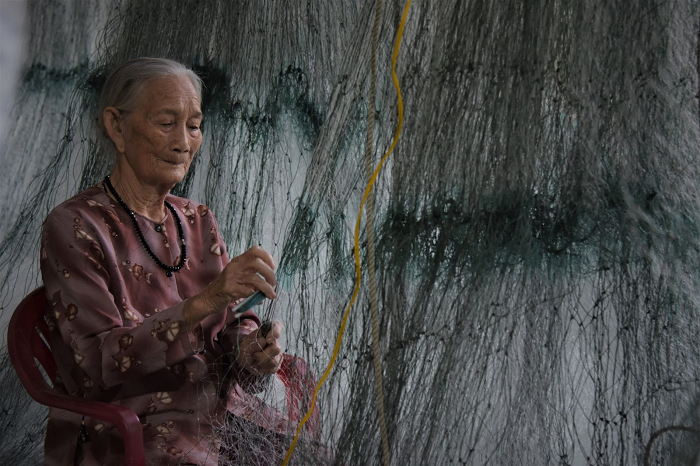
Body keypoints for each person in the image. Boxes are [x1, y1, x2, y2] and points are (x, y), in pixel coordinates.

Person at [40, 57, 290, 465]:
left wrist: (249, 348)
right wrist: (207, 300)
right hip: (135, 428)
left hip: (218, 413)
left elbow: (230, 324)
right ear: (116, 127)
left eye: (193, 126)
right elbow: (101, 366)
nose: (184, 142)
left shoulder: (198, 219)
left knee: (311, 453)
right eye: (166, 122)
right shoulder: (76, 226)